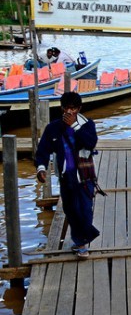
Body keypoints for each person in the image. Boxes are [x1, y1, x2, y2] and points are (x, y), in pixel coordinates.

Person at [35, 92, 100, 258]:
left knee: (85, 209)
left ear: (79, 109)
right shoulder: (53, 128)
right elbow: (43, 150)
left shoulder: (86, 125)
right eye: (67, 108)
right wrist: (41, 168)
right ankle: (81, 240)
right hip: (66, 176)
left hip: (84, 175)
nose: (70, 112)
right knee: (70, 209)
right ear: (62, 108)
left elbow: (90, 142)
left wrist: (74, 126)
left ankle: (82, 243)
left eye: (73, 108)